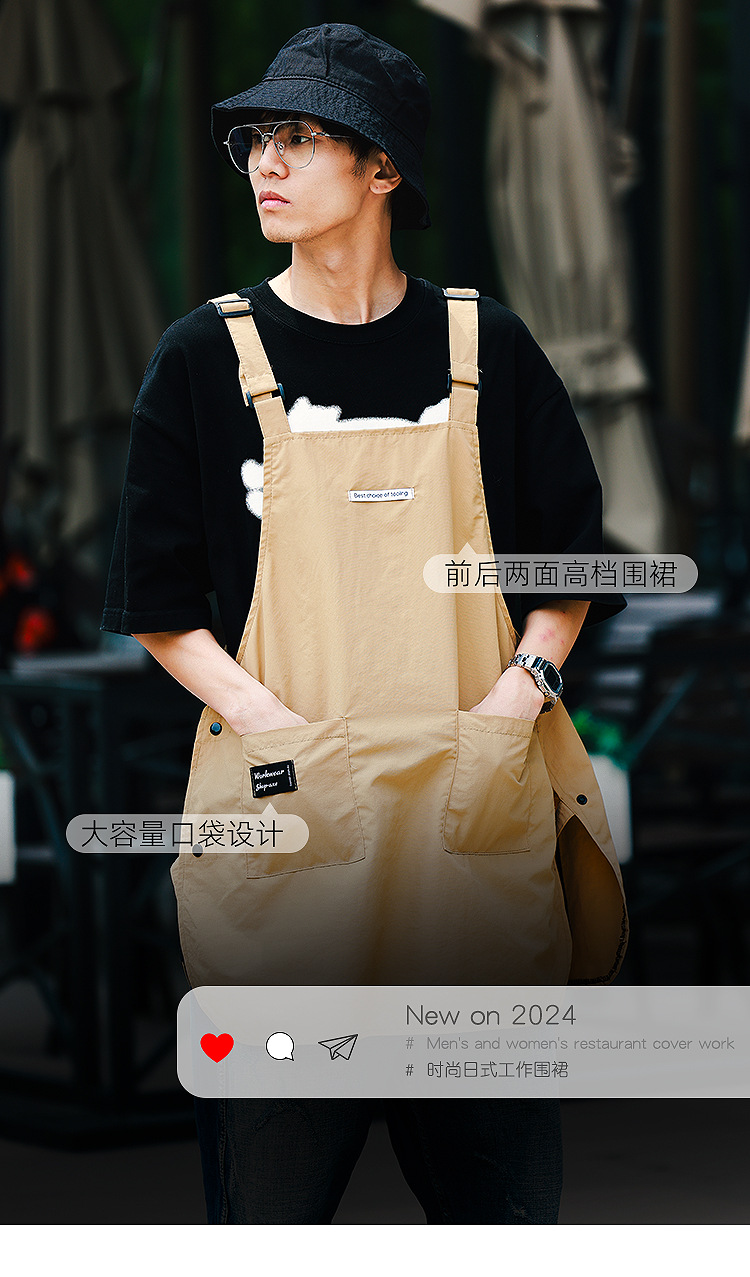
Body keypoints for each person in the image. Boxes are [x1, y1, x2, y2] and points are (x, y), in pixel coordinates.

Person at [102, 23, 627, 1224]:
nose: (265, 163)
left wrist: (519, 698)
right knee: (271, 1221)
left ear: (383, 166)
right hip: (293, 829)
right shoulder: (203, 357)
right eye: (253, 140)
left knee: (503, 1223)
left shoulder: (485, 345)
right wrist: (276, 728)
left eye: (299, 136)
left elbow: (572, 562)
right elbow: (158, 607)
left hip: (469, 822)